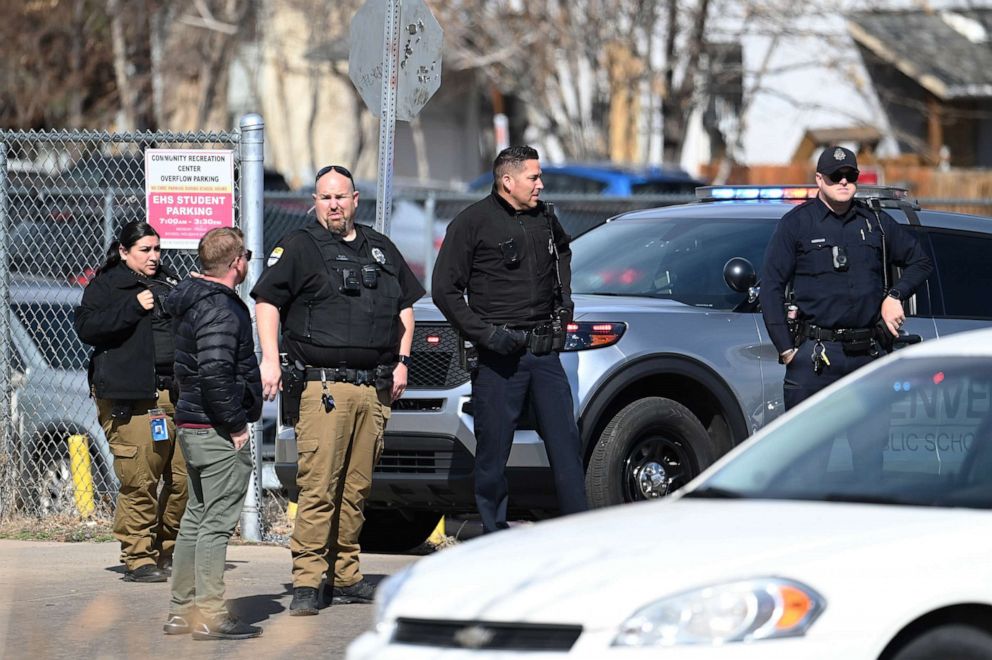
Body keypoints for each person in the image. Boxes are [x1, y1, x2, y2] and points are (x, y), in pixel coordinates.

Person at [251, 164, 424, 616]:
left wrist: (403, 361)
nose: (333, 205)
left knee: (357, 489)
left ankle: (345, 575)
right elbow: (267, 302)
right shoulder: (300, 247)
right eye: (325, 197)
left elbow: (406, 307)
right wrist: (269, 358)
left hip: (374, 389)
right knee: (319, 487)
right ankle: (308, 580)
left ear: (355, 199)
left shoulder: (380, 248)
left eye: (340, 197)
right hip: (324, 387)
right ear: (315, 201)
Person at [432, 145, 588, 534]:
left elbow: (563, 254)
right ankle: (494, 533)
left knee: (567, 448)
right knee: (492, 455)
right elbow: (444, 291)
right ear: (507, 181)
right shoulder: (472, 223)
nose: (540, 184)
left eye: (539, 177)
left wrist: (563, 304)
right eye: (533, 177)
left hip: (543, 355)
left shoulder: (545, 219)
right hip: (498, 359)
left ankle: (579, 531)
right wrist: (486, 335)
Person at [761, 145, 933, 411]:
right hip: (817, 360)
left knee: (871, 449)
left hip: (868, 355)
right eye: (834, 175)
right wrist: (787, 350)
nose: (843, 181)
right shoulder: (796, 224)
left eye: (849, 175)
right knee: (813, 450)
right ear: (819, 179)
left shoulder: (875, 222)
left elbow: (920, 262)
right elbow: (771, 287)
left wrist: (895, 296)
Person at [162, 227, 262, 640]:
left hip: (192, 422)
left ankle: (182, 610)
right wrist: (236, 425)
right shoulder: (219, 309)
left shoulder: (192, 298)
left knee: (196, 518)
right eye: (248, 256)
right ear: (236, 262)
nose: (248, 263)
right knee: (216, 524)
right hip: (215, 427)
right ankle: (208, 613)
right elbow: (216, 371)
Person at [74, 220, 187, 583]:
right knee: (140, 478)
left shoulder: (169, 283)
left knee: (184, 480)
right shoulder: (107, 286)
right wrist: (133, 306)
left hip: (176, 394)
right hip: (133, 398)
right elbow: (88, 329)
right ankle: (138, 555)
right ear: (124, 252)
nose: (154, 257)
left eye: (157, 249)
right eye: (145, 250)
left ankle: (167, 548)